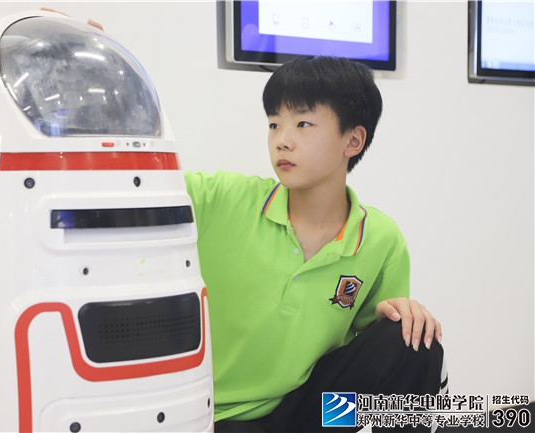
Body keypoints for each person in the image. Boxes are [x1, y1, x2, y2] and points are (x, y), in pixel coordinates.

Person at [58, 12, 447, 431]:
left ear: (352, 140)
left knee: (413, 341)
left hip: (309, 414)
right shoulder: (223, 198)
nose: (282, 139)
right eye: (274, 124)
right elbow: (133, 185)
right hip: (216, 416)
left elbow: (372, 348)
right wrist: (92, 80)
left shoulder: (381, 238)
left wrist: (404, 315)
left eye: (303, 123)